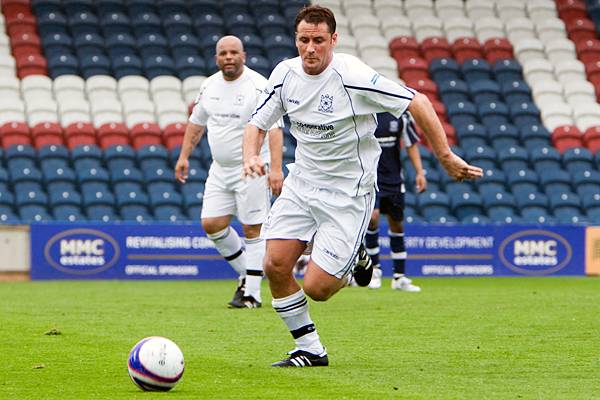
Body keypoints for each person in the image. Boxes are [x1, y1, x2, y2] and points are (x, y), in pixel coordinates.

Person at [243, 5, 483, 367]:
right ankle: (310, 348)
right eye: (304, 40)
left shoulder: (352, 76)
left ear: (333, 40)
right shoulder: (283, 75)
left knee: (318, 289)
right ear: (296, 40)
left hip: (348, 194)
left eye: (318, 41)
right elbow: (256, 123)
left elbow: (417, 101)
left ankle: (357, 254)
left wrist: (446, 156)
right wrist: (250, 155)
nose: (310, 49)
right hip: (302, 184)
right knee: (275, 265)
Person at [175, 35, 284, 309]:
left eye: (233, 52)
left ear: (243, 55)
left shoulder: (259, 86)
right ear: (217, 58)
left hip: (253, 167)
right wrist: (184, 156)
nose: (228, 57)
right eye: (223, 53)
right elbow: (196, 122)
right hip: (220, 169)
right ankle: (248, 276)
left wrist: (276, 170)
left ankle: (252, 294)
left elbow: (274, 129)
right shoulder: (209, 85)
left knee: (252, 228)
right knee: (212, 224)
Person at [366, 111, 427, 291]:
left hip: (394, 181)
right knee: (372, 218)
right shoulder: (365, 112)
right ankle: (374, 272)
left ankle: (399, 277)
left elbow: (411, 144)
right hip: (371, 179)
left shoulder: (401, 114)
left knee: (397, 225)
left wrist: (420, 172)